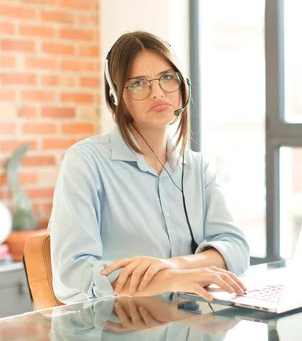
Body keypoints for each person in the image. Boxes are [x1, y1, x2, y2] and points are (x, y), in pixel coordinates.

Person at [48, 31, 250, 304]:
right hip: (114, 327)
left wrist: (175, 266)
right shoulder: (85, 162)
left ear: (183, 85)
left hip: (189, 323)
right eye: (138, 83)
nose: (157, 92)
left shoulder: (196, 167)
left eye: (167, 77)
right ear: (117, 96)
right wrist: (167, 280)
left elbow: (236, 248)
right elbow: (74, 270)